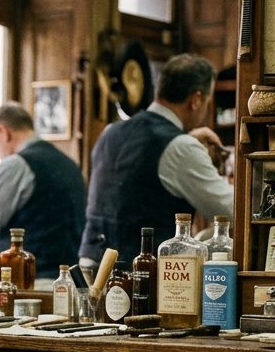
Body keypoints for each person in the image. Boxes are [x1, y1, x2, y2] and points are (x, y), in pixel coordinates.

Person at [78, 54, 233, 268]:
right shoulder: (181, 147)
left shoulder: (111, 132)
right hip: (138, 274)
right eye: (207, 101)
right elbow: (229, 210)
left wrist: (186, 142)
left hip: (89, 264)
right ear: (196, 100)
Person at [0, 103, 86, 280]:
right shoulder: (69, 164)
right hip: (70, 280)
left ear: (4, 133)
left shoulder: (17, 165)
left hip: (30, 283)